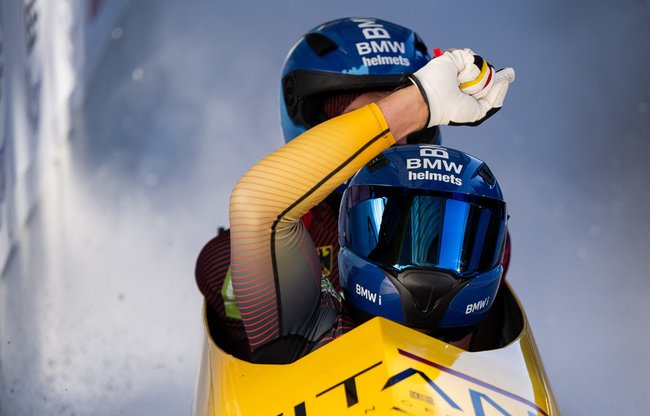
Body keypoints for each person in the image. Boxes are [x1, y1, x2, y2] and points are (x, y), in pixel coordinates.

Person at [197, 18, 514, 363]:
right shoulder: (243, 261)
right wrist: (422, 101)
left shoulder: (471, 223)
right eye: (375, 119)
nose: (394, 142)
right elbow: (258, 206)